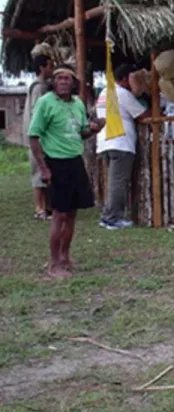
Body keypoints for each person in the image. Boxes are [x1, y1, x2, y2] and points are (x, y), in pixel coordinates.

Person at [28, 65, 105, 279]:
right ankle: (54, 263)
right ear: (53, 82)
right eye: (59, 78)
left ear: (73, 83)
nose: (63, 82)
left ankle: (65, 257)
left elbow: (80, 133)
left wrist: (93, 129)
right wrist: (43, 168)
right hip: (55, 162)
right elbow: (34, 136)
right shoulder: (45, 103)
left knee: (72, 213)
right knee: (59, 215)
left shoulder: (78, 104)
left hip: (74, 162)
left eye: (67, 78)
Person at [95, 63, 148, 230]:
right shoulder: (122, 93)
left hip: (106, 141)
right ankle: (112, 218)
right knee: (118, 182)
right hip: (120, 142)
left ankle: (109, 215)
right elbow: (142, 115)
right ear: (126, 79)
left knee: (113, 181)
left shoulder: (105, 92)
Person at [23, 54, 55, 220]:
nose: (52, 69)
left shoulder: (42, 86)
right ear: (42, 68)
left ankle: (47, 207)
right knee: (38, 173)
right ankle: (39, 208)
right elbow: (38, 112)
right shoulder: (39, 88)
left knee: (45, 173)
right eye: (50, 65)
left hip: (41, 136)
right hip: (38, 137)